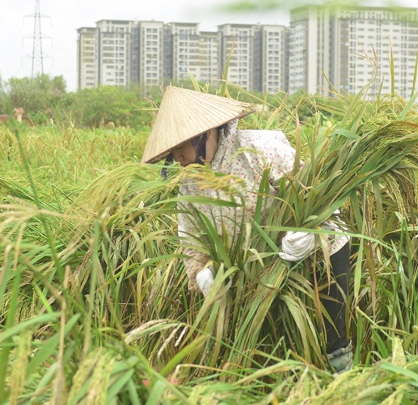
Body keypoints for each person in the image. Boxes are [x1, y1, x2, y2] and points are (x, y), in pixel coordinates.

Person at [141, 86, 353, 374]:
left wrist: (311, 232)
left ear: (204, 134)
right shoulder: (190, 183)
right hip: (260, 267)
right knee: (272, 339)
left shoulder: (259, 150)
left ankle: (342, 375)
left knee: (329, 331)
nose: (176, 156)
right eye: (171, 151)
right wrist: (202, 272)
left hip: (314, 248)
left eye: (180, 147)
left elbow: (318, 196)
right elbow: (191, 241)